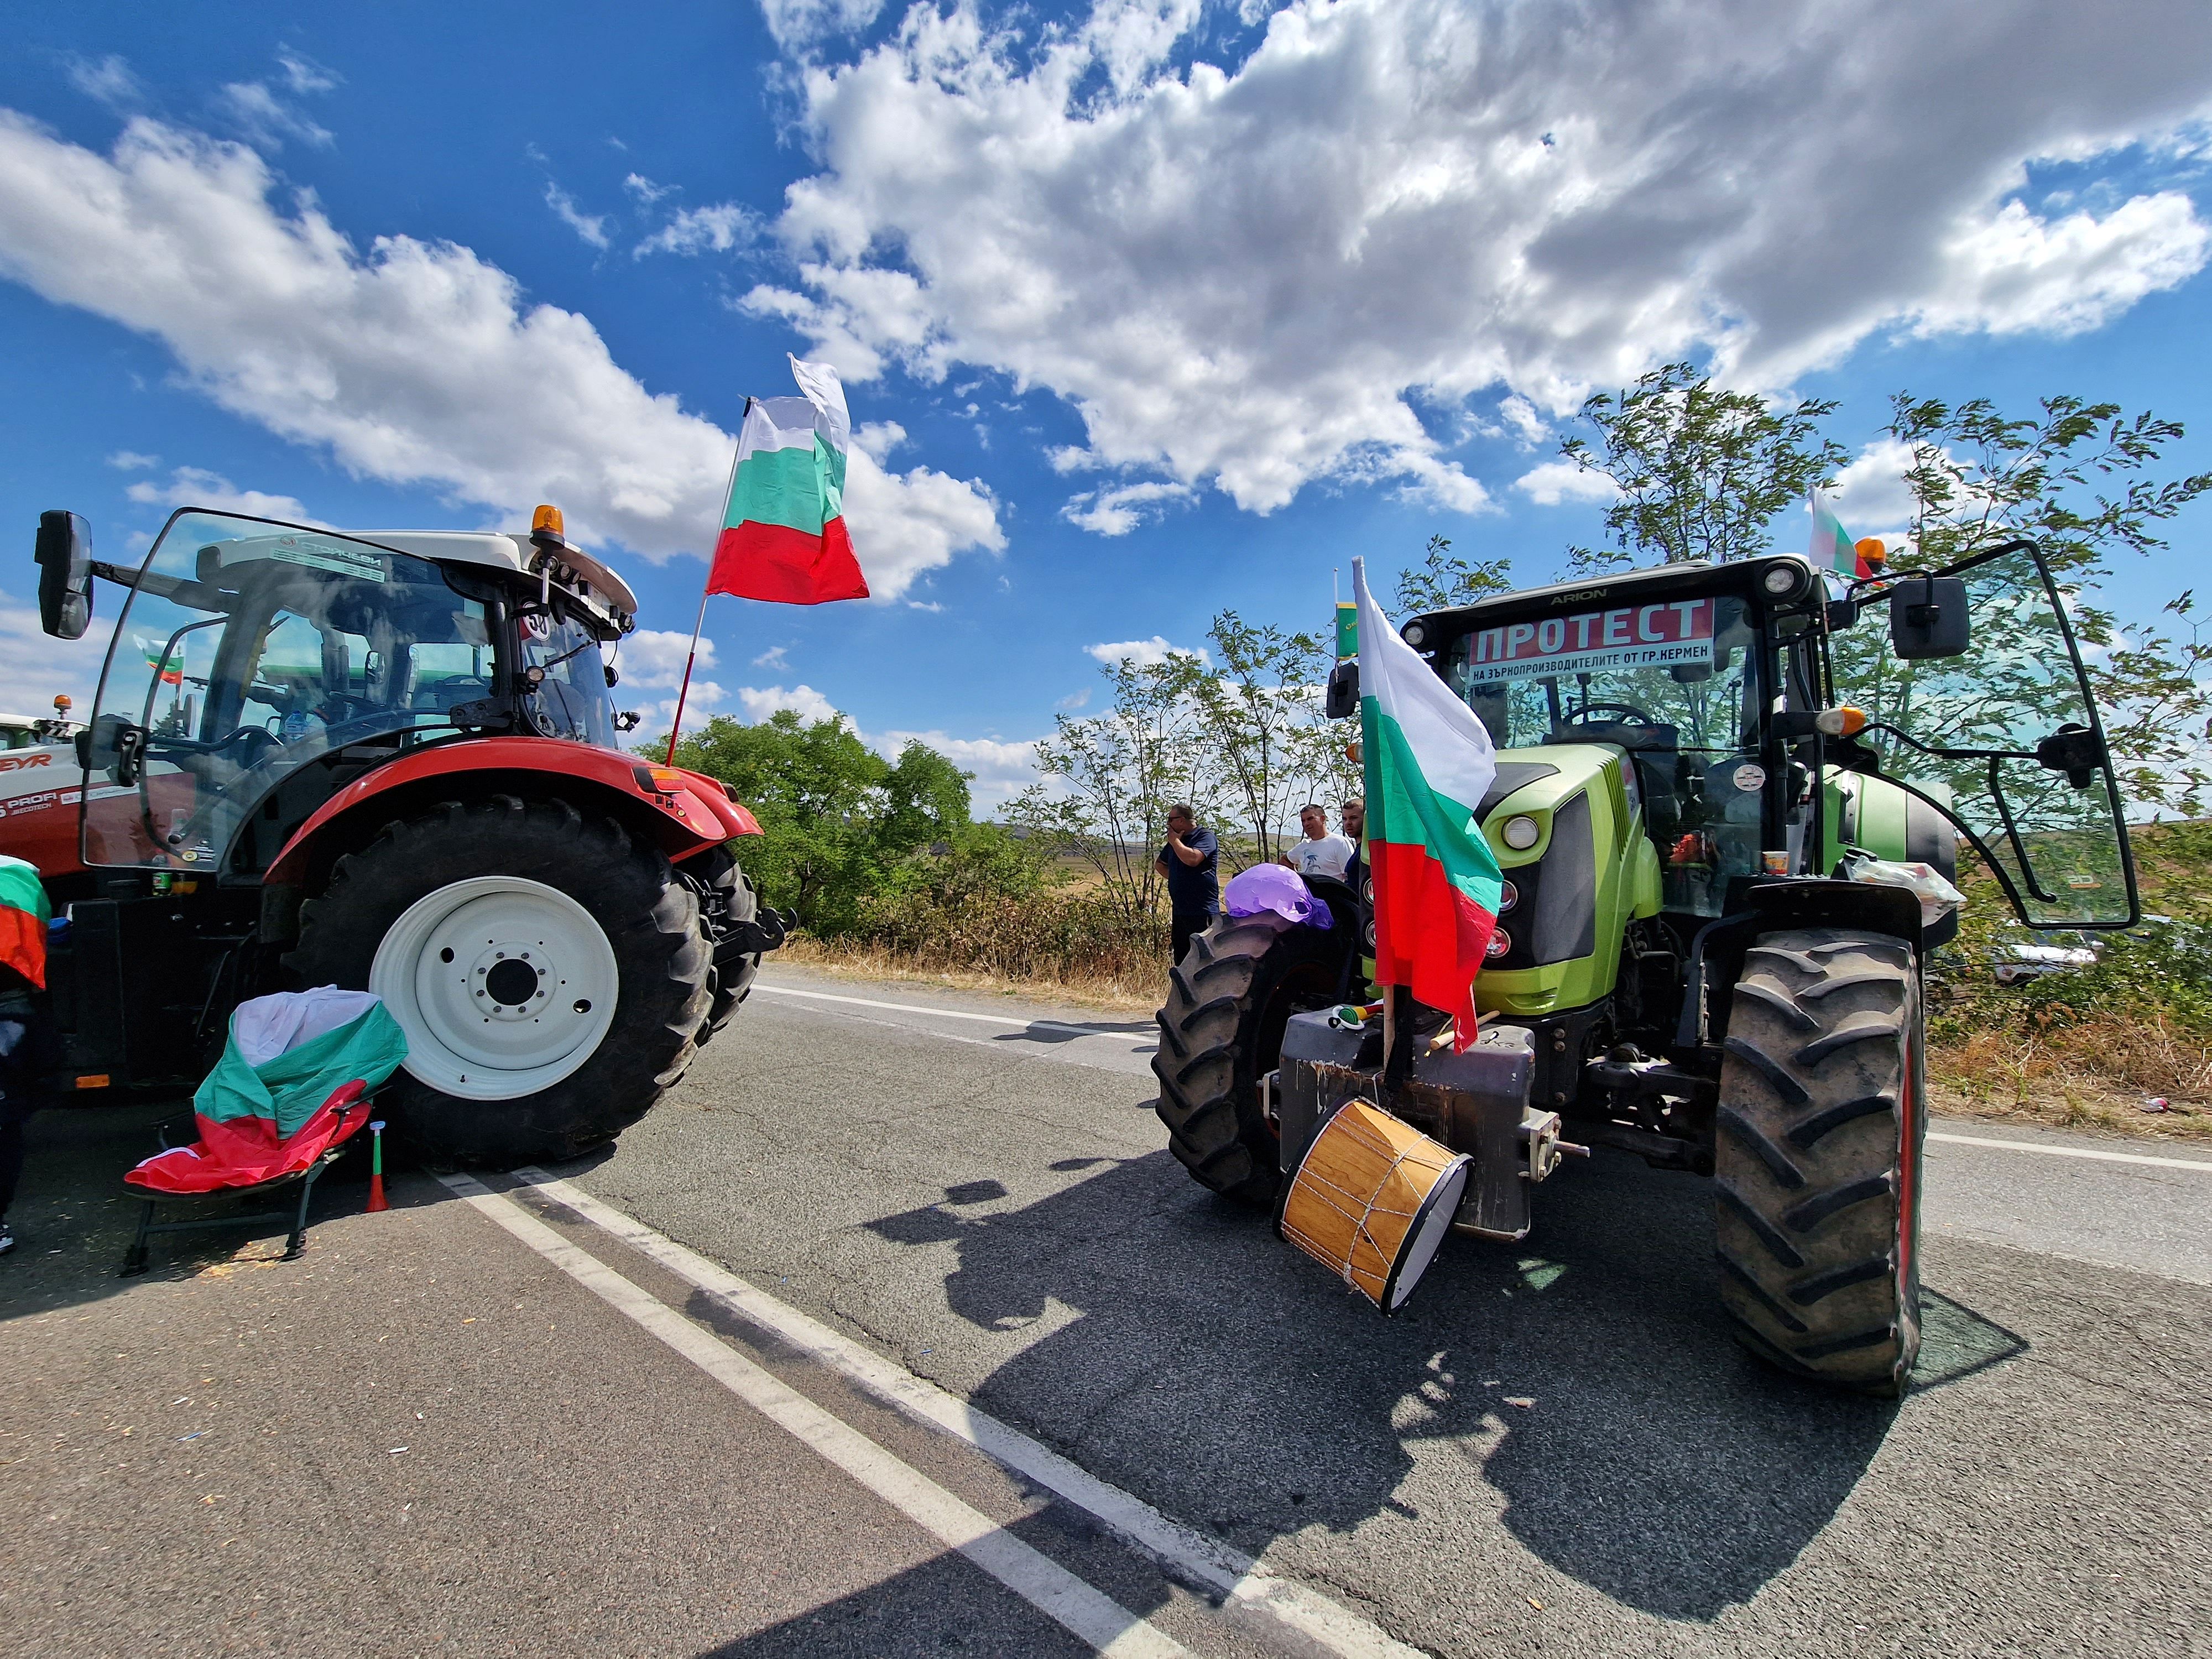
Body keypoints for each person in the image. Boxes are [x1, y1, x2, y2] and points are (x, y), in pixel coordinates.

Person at [1155, 804, 1219, 964]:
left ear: (1181, 821)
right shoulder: (1176, 842)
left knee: (1203, 962)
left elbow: (1193, 859)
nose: (1168, 824)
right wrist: (1179, 878)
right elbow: (1160, 865)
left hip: (1202, 912)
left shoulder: (1205, 837)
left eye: (1170, 820)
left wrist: (1175, 841)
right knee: (1182, 962)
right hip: (1180, 912)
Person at [1279, 803, 1355, 883]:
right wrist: (1297, 880)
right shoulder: (1303, 846)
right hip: (1309, 894)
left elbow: (1352, 875)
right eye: (1303, 821)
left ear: (1322, 819)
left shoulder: (1339, 843)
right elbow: (1285, 860)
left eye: (1310, 819)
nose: (1306, 824)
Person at [1340, 797, 1366, 895]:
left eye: (1354, 818)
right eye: (1344, 819)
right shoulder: (1358, 850)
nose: (1348, 823)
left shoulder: (1369, 852)